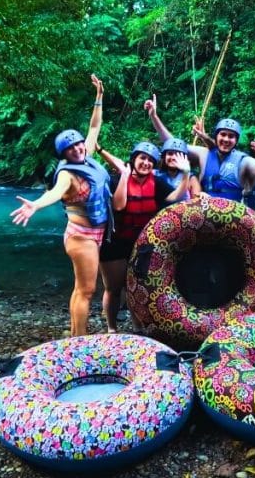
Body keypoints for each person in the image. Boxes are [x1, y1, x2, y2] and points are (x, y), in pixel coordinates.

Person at [11, 75, 110, 336]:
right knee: (85, 290)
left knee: (85, 288)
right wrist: (35, 206)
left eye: (78, 144)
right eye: (71, 148)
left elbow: (94, 128)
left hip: (98, 233)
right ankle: (78, 339)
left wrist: (98, 98)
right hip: (81, 237)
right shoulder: (67, 174)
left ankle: (77, 334)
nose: (78, 149)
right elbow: (54, 193)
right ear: (64, 154)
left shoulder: (86, 155)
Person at [96, 141, 192, 332]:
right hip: (114, 243)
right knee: (113, 289)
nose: (146, 163)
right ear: (133, 159)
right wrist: (125, 175)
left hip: (141, 245)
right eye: (142, 158)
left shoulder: (156, 183)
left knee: (136, 289)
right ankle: (111, 329)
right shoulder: (116, 179)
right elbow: (118, 206)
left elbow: (175, 198)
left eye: (150, 160)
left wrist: (186, 174)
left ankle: (137, 327)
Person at [143, 95, 255, 202]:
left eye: (231, 136)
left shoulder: (244, 161)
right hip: (204, 212)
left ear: (236, 140)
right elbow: (172, 145)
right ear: (216, 136)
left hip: (232, 217)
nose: (226, 139)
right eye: (223, 135)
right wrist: (154, 117)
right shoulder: (204, 154)